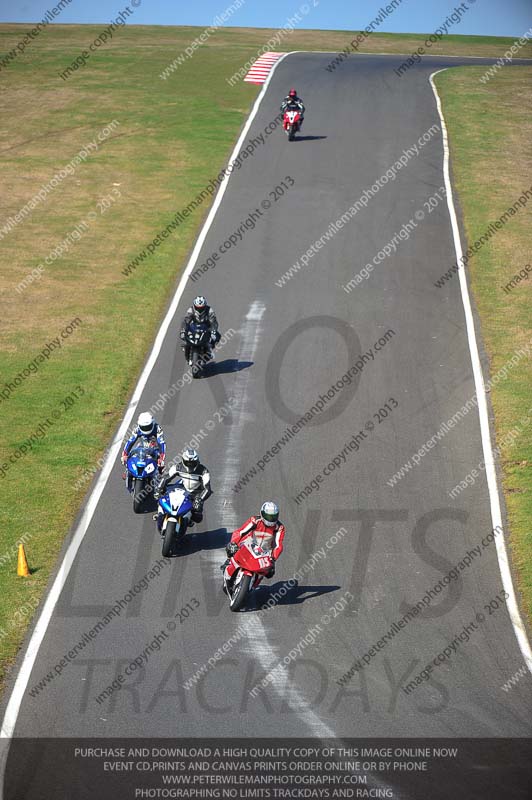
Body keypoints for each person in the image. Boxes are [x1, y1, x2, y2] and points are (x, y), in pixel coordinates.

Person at [220, 502, 285, 579]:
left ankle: (255, 580)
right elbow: (240, 532)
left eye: (273, 517)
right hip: (249, 544)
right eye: (268, 516)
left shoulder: (279, 527)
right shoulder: (255, 520)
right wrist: (234, 542)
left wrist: (273, 558)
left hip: (265, 552)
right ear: (262, 513)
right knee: (232, 549)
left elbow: (278, 545)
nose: (271, 519)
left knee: (270, 573)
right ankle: (229, 561)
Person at [155, 449, 212, 528]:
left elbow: (207, 489)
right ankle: (160, 513)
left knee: (198, 517)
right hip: (181, 487)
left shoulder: (203, 471)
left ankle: (188, 520)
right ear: (183, 461)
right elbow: (165, 478)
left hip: (196, 492)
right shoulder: (178, 467)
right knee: (161, 496)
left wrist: (199, 499)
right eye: (187, 463)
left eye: (192, 463)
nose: (190, 465)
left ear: (197, 461)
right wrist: (159, 488)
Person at [121, 412, 165, 485]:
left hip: (154, 448)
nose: (146, 429)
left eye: (147, 426)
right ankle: (128, 471)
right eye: (144, 427)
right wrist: (125, 454)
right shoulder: (137, 429)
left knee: (160, 464)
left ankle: (158, 477)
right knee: (130, 456)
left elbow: (161, 443)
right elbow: (130, 441)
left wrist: (161, 458)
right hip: (141, 447)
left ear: (152, 423)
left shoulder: (158, 429)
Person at [180, 296, 220, 366]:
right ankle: (187, 351)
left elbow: (214, 322)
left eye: (201, 308)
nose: (199, 309)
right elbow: (186, 321)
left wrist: (213, 330)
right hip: (193, 328)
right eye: (198, 308)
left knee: (217, 337)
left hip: (206, 328)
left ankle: (208, 351)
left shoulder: (209, 310)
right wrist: (183, 330)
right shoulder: (191, 310)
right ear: (194, 306)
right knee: (185, 338)